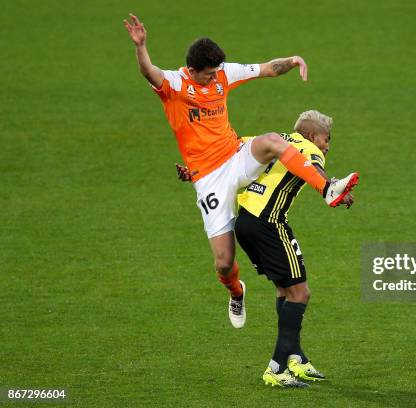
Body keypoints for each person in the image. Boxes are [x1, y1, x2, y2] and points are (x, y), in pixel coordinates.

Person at [123, 14, 359, 330]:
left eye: (216, 73)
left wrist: (292, 60)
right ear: (192, 71)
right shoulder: (176, 84)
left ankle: (327, 188)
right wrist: (141, 47)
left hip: (236, 156)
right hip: (209, 179)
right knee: (223, 263)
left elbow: (266, 68)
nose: (214, 79)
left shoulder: (223, 74)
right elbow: (148, 72)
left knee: (273, 141)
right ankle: (236, 292)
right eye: (207, 75)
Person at [177, 110, 353, 388]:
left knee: (285, 290)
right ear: (310, 135)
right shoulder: (308, 148)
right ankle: (276, 367)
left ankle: (297, 358)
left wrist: (194, 173)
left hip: (245, 222)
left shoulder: (263, 140)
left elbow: (225, 158)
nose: (327, 145)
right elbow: (314, 168)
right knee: (300, 293)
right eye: (326, 138)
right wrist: (331, 187)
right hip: (269, 223)